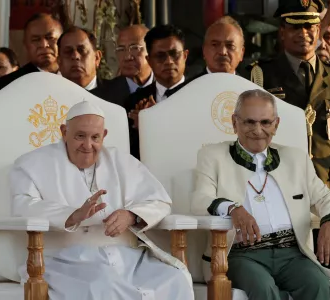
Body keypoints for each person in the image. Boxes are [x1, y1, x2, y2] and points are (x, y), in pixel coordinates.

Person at [10, 101, 194, 300]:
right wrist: (72, 215)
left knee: (175, 277)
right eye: (80, 136)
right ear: (64, 132)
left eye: (95, 137)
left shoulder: (122, 161)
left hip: (127, 258)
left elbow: (160, 201)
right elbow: (22, 205)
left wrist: (131, 215)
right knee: (103, 285)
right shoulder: (32, 164)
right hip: (64, 260)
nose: (88, 145)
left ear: (104, 135)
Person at [191, 89, 330, 300]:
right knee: (263, 289)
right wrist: (233, 209)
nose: (258, 130)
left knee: (318, 286)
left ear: (276, 124)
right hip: (241, 255)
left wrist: (329, 220)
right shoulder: (212, 156)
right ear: (234, 122)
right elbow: (199, 200)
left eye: (265, 122)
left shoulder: (295, 158)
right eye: (249, 122)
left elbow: (325, 197)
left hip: (292, 254)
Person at [249, 0, 330, 187]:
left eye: (308, 26)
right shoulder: (261, 75)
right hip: (279, 183)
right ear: (282, 32)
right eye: (295, 27)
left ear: (318, 30)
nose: (303, 33)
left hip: (327, 185)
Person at [124, 24, 188, 159]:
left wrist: (154, 124)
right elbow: (128, 153)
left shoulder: (200, 96)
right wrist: (142, 130)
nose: (169, 61)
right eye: (160, 56)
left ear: (185, 56)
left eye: (174, 54)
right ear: (149, 61)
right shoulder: (134, 102)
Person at [0, 13, 62, 98]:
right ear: (26, 45)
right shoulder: (6, 86)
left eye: (50, 37)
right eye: (36, 40)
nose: (44, 44)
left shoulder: (76, 78)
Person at [91, 25, 153, 106]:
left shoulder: (168, 88)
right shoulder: (100, 97)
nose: (127, 57)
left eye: (135, 48)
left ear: (152, 51)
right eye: (121, 49)